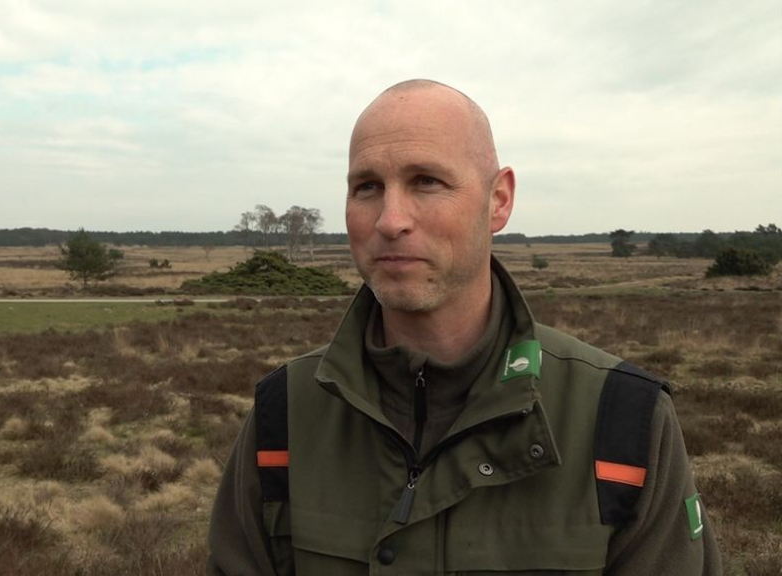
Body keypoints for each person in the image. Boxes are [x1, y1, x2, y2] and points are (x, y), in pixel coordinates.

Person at [207, 79, 721, 575]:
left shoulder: (624, 420)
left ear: (499, 200)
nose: (389, 219)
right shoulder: (285, 414)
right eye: (367, 187)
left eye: (426, 181)